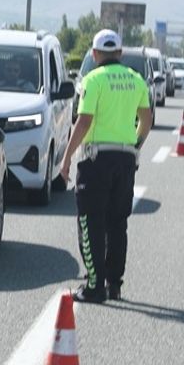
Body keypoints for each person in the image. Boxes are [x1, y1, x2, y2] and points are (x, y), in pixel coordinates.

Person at [58, 29, 153, 304]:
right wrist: (135, 144)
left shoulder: (93, 79)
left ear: (94, 54)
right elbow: (146, 119)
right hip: (125, 160)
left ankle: (94, 285)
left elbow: (84, 121)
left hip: (96, 160)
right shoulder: (136, 80)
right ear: (120, 54)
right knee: (117, 223)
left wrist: (66, 160)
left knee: (90, 222)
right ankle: (114, 284)